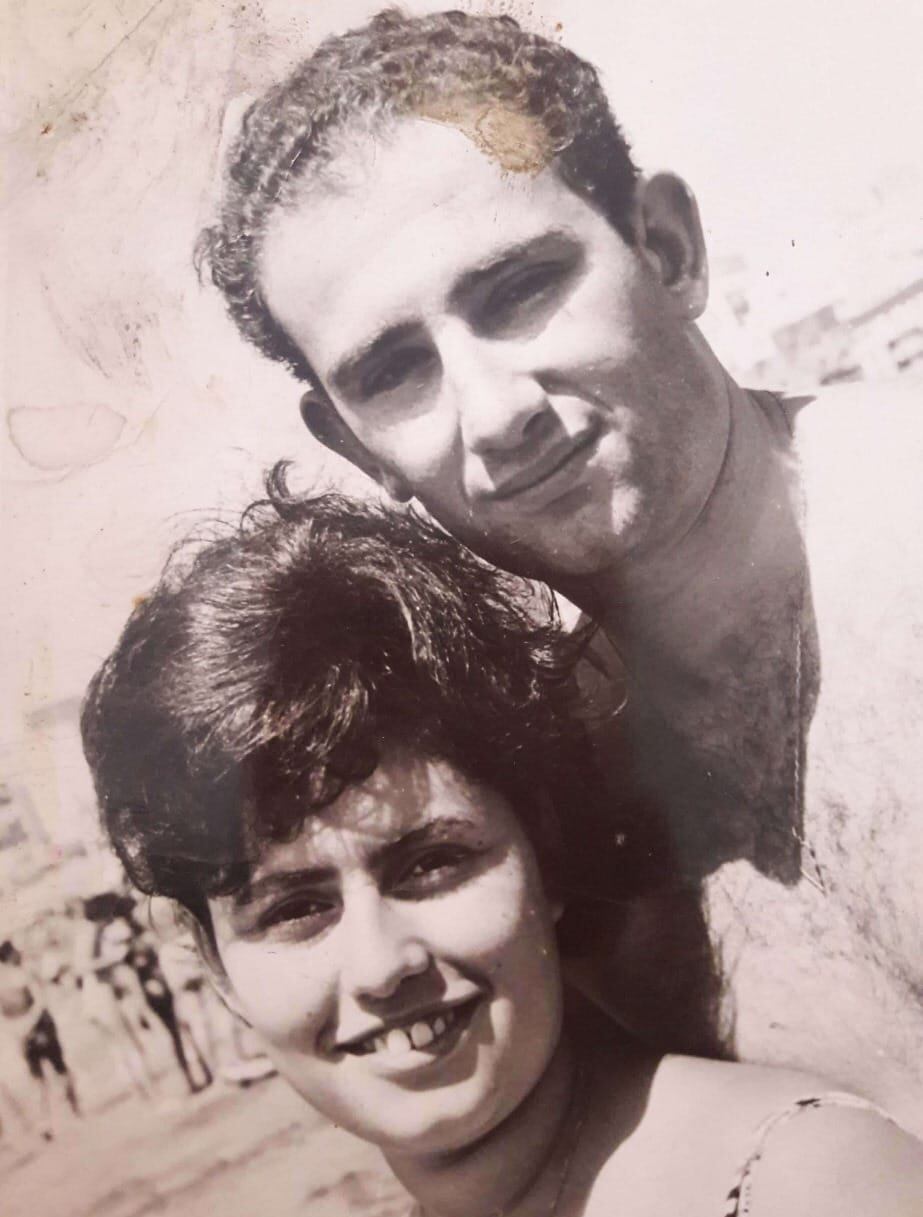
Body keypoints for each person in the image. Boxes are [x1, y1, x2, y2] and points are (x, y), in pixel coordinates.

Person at [195, 8, 923, 1130]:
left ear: (666, 248)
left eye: (518, 290)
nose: (495, 413)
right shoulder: (542, 818)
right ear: (353, 447)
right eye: (394, 370)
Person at [80, 483, 923, 1217]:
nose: (380, 966)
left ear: (543, 851)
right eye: (295, 909)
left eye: (432, 863)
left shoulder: (805, 1203)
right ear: (216, 968)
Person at [0, 940, 80, 1142]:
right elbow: (40, 1001)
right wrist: (28, 1025)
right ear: (9, 955)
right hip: (39, 1027)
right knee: (57, 1070)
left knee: (39, 1078)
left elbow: (5, 1017)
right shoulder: (23, 974)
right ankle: (71, 1109)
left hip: (25, 1031)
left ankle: (50, 1120)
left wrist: (19, 1031)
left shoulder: (9, 979)